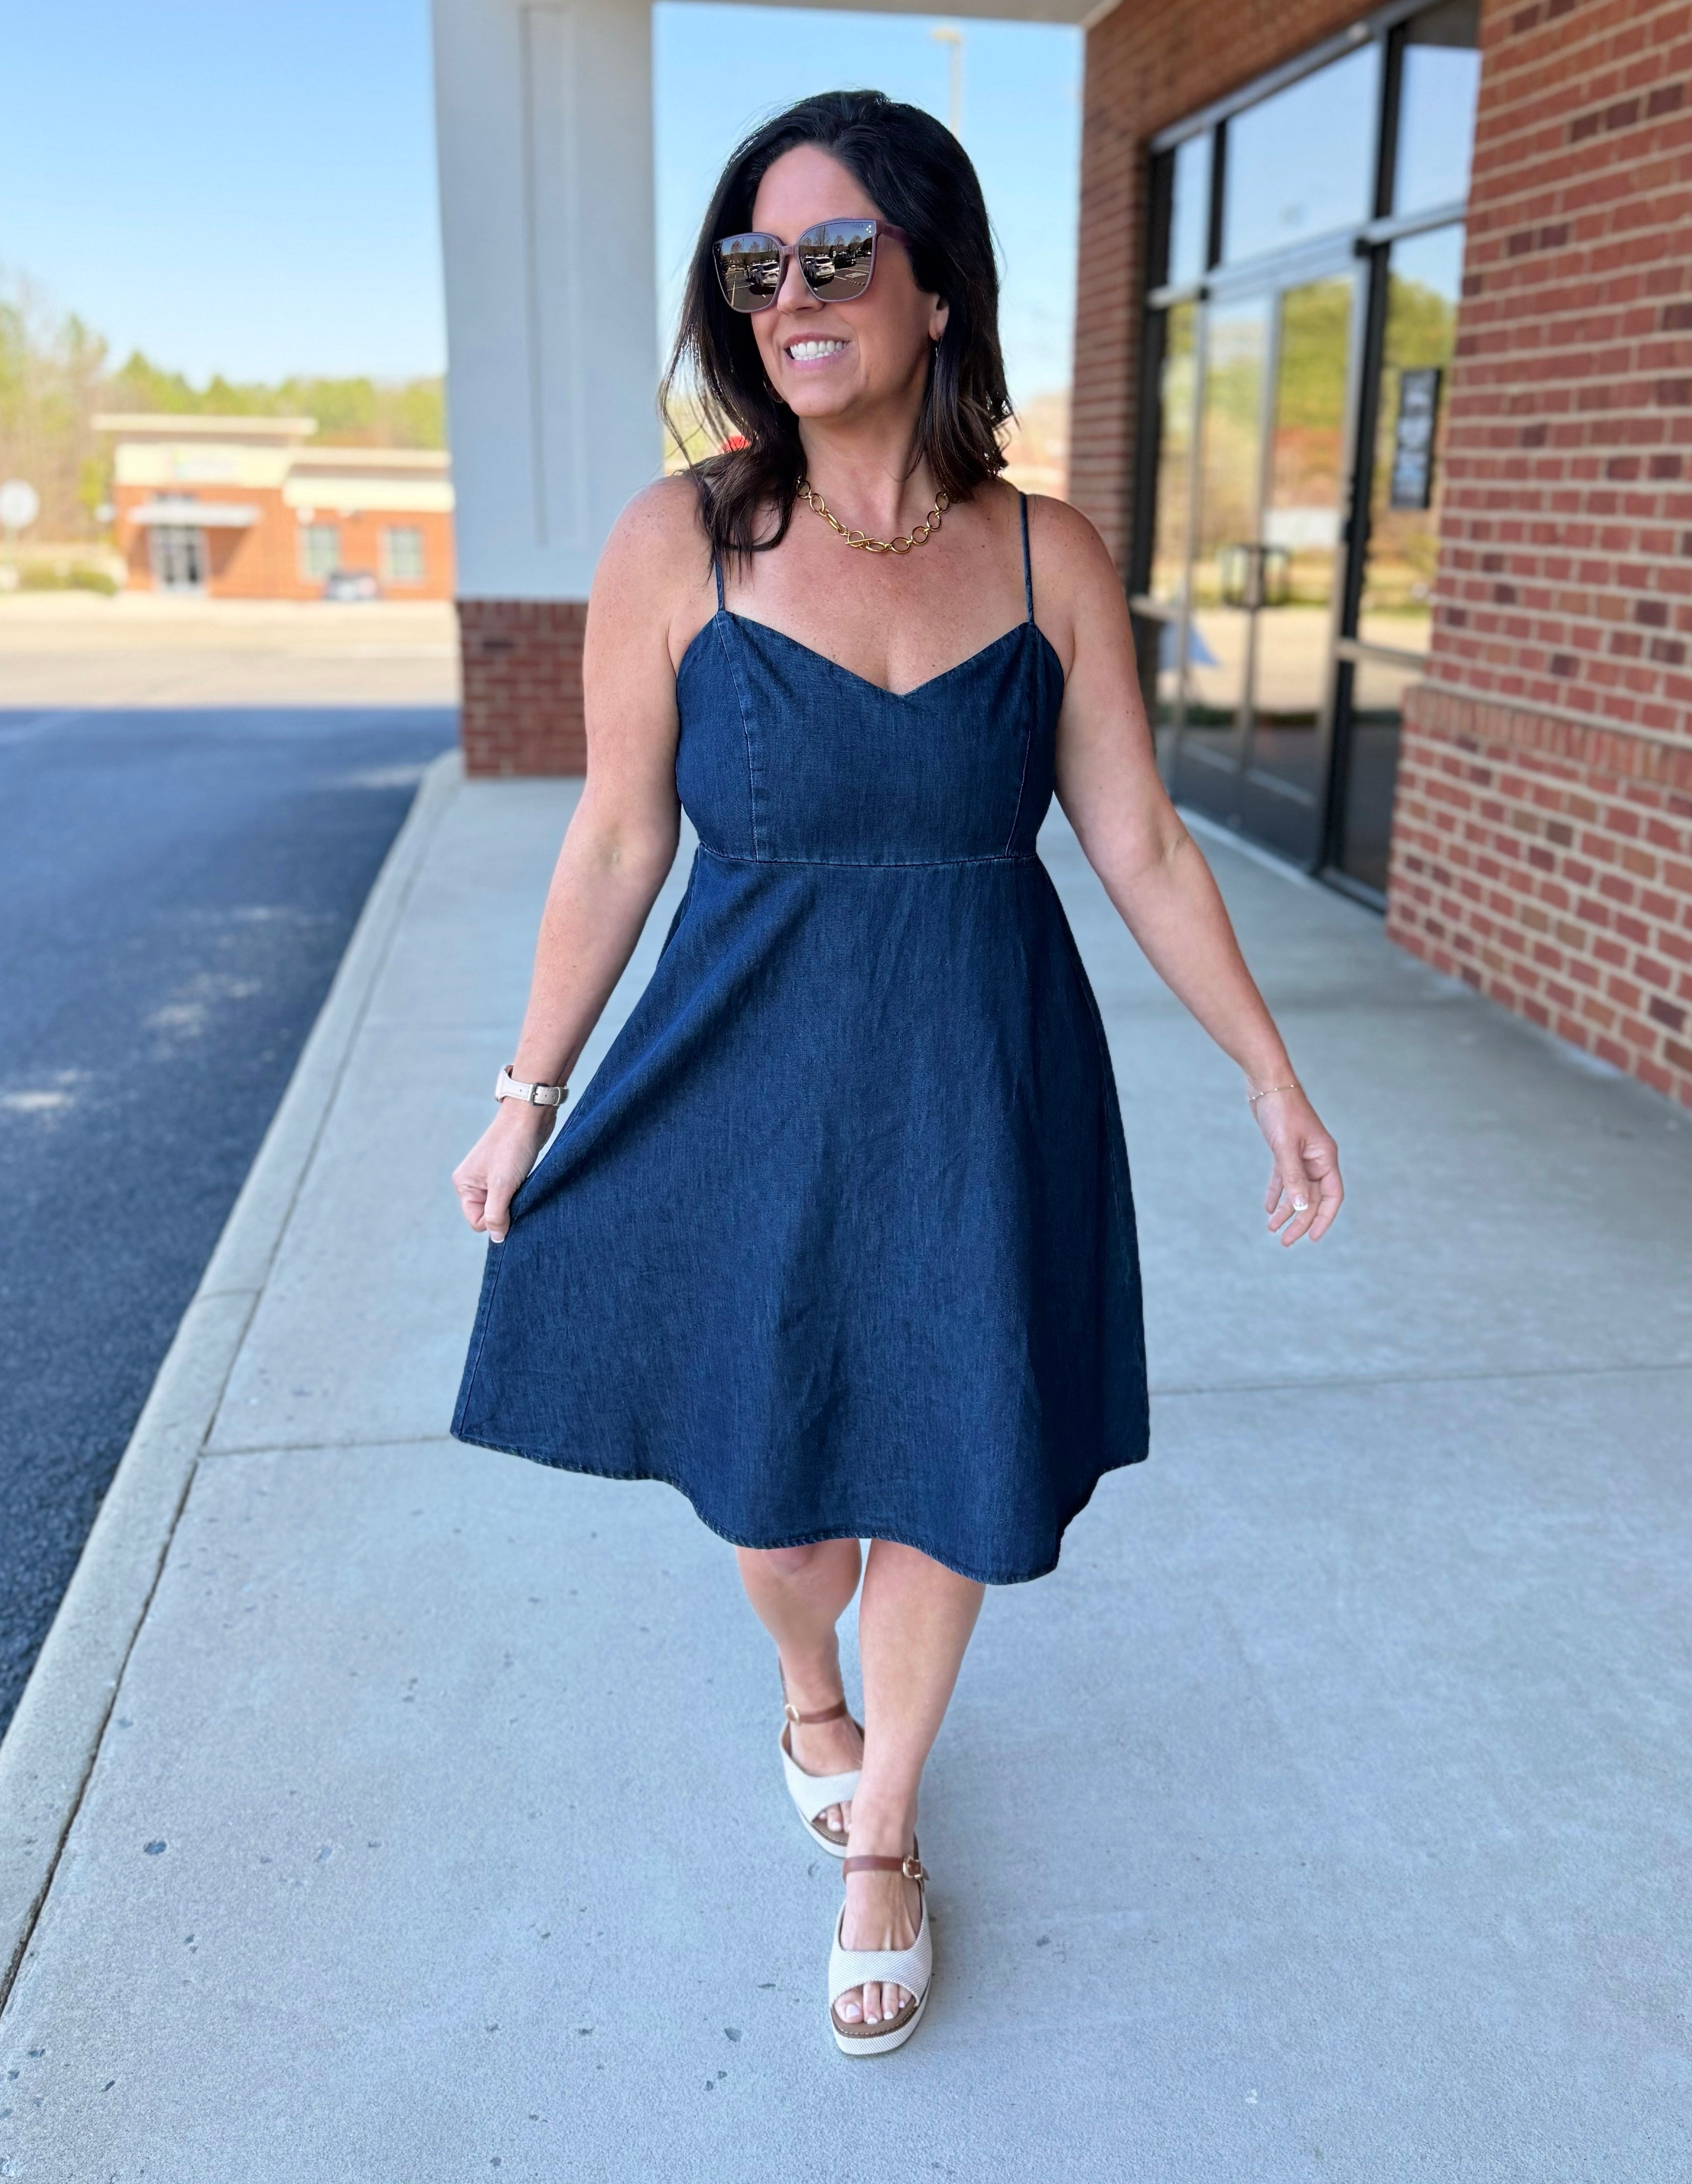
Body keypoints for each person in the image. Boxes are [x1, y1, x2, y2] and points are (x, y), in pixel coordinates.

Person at [449, 89, 1342, 2057]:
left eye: (837, 253)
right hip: (746, 1080)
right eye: (754, 265)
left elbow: (1140, 842)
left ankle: (886, 1837)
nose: (791, 295)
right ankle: (807, 1697)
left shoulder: (1043, 556)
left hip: (976, 1082)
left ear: (936, 288)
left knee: (945, 1461)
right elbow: (616, 836)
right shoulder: (678, 539)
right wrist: (526, 1092)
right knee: (786, 1519)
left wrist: (1267, 1073)